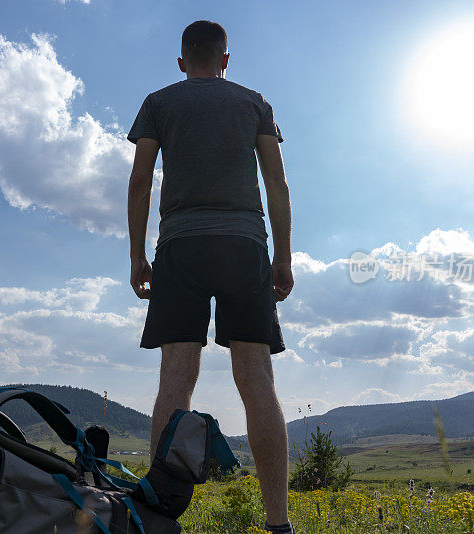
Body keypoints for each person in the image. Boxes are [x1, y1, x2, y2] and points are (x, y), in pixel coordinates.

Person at [126, 20, 295, 533]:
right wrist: (282, 257)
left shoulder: (159, 102)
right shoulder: (254, 103)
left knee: (175, 380)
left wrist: (137, 256)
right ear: (226, 59)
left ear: (182, 62)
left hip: (180, 244)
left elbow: (139, 183)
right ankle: (279, 524)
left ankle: (156, 518)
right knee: (257, 381)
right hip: (244, 244)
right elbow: (276, 181)